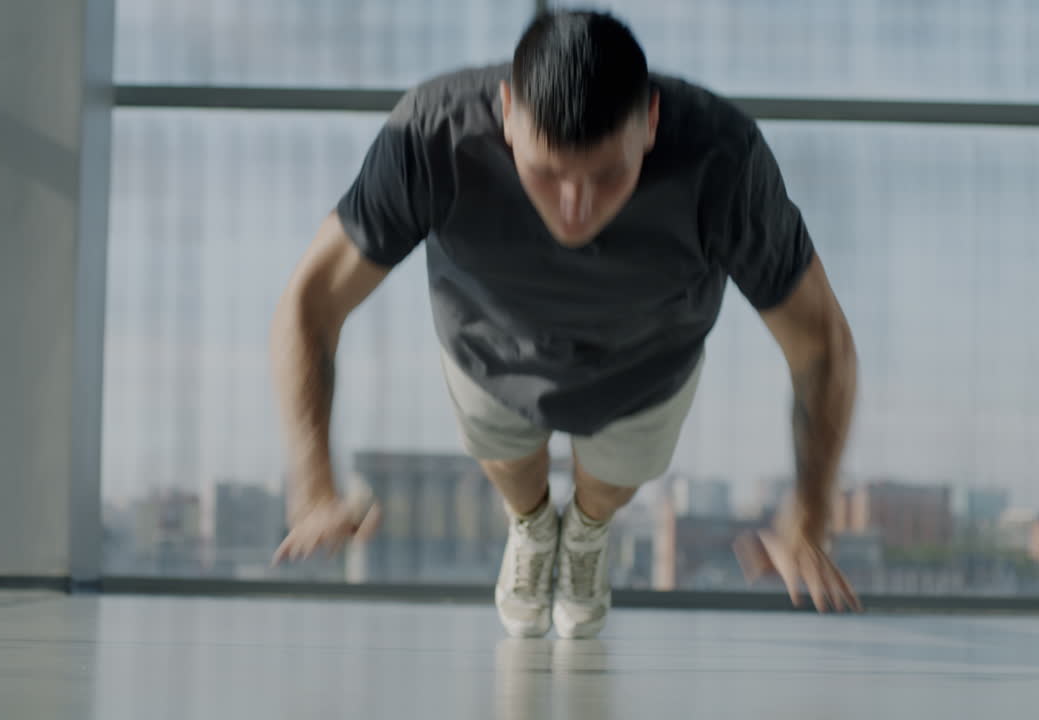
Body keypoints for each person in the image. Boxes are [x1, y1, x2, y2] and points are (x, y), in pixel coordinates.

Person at [271, 9, 862, 638]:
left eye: (607, 176)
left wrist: (811, 512)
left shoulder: (724, 157)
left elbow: (820, 342)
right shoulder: (430, 135)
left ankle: (586, 536)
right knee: (512, 469)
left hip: (647, 369)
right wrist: (314, 487)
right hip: (489, 354)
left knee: (605, 491)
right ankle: (530, 529)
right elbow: (311, 301)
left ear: (652, 123)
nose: (574, 209)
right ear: (506, 112)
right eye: (547, 173)